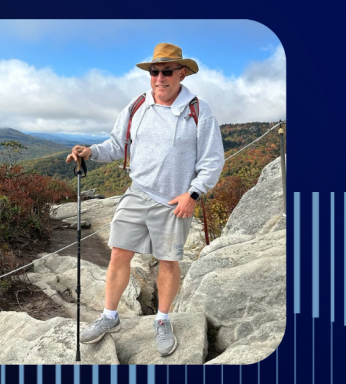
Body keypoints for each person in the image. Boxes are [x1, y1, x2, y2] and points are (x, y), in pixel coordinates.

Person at [66, 42, 224, 357]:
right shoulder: (138, 105)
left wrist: (193, 194)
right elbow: (117, 144)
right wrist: (91, 152)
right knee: (118, 253)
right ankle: (109, 316)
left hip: (174, 202)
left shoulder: (198, 111)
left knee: (168, 261)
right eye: (154, 71)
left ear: (182, 73)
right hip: (137, 192)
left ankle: (162, 320)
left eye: (167, 71)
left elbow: (212, 160)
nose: (159, 78)